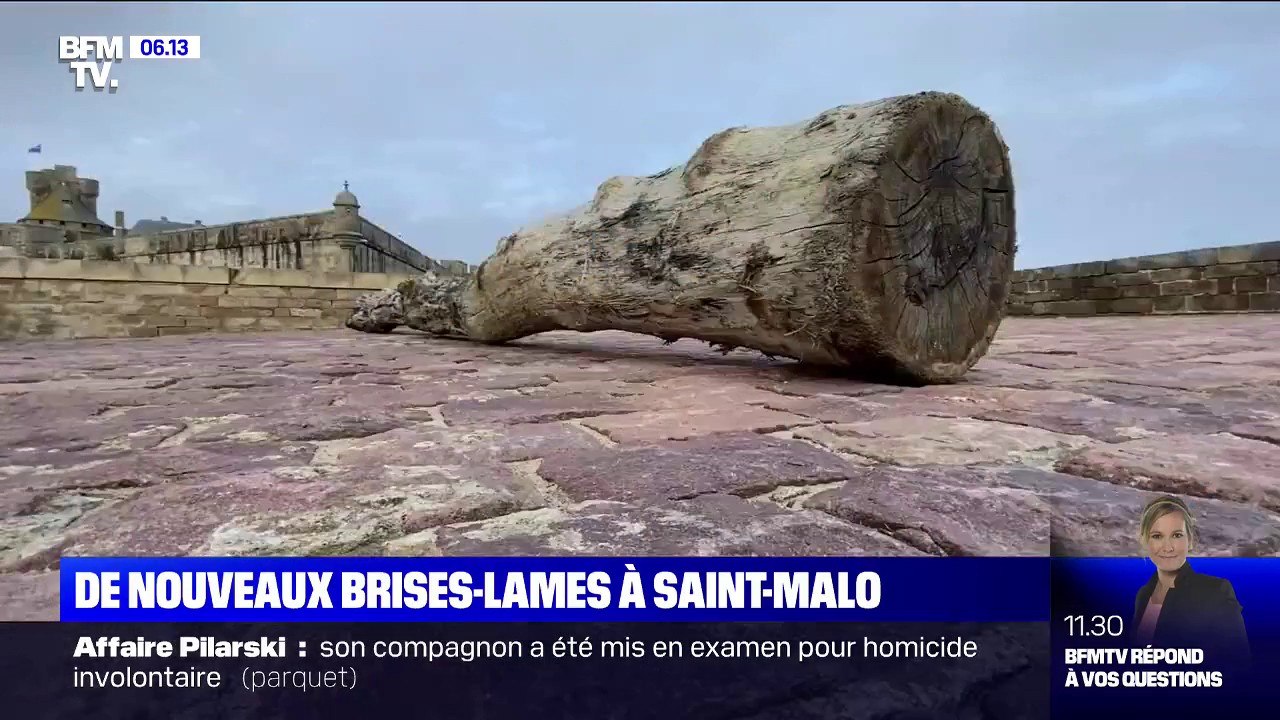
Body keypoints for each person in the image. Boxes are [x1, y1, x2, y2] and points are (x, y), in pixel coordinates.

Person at [1131, 495, 1250, 667]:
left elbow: (1241, 669)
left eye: (1177, 535)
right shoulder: (1143, 596)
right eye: (1157, 536)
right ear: (1144, 540)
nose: (1168, 547)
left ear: (1190, 540)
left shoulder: (1215, 593)